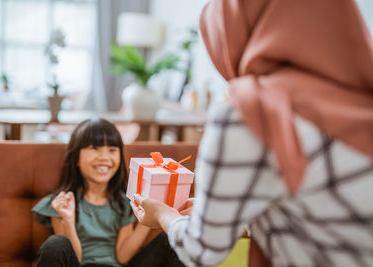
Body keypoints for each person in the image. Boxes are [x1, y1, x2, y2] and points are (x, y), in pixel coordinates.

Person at [131, 0, 373, 266]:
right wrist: (227, 211)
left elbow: (202, 250)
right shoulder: (359, 101)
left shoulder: (250, 115)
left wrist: (164, 215)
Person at [32, 118, 185, 267]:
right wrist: (68, 220)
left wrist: (151, 214)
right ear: (76, 157)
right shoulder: (63, 203)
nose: (104, 157)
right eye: (95, 148)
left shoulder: (124, 202)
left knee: (173, 236)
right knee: (55, 243)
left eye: (112, 150)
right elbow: (75, 258)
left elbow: (123, 257)